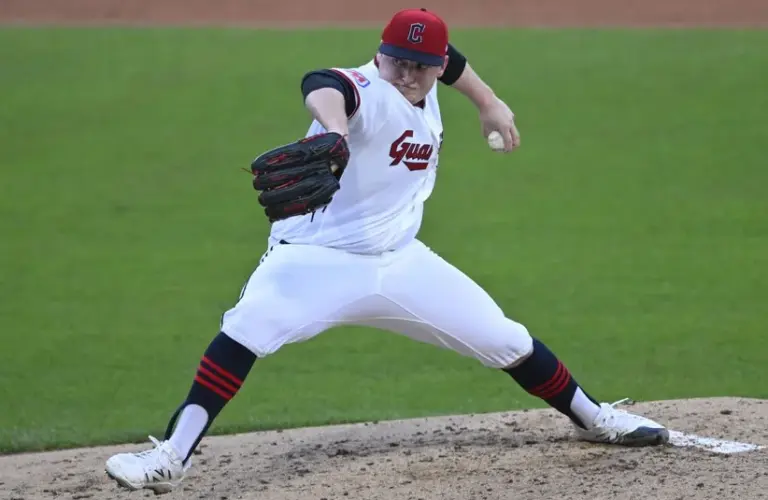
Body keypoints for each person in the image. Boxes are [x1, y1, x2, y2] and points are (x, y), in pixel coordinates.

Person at [105, 8, 669, 494]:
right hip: (315, 258)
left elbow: (453, 62)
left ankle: (595, 419)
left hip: (399, 262)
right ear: (381, 54)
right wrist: (335, 130)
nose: (404, 74)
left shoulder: (432, 73)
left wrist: (489, 103)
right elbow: (322, 81)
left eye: (418, 66)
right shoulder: (365, 89)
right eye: (394, 60)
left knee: (506, 338)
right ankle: (169, 458)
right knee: (244, 329)